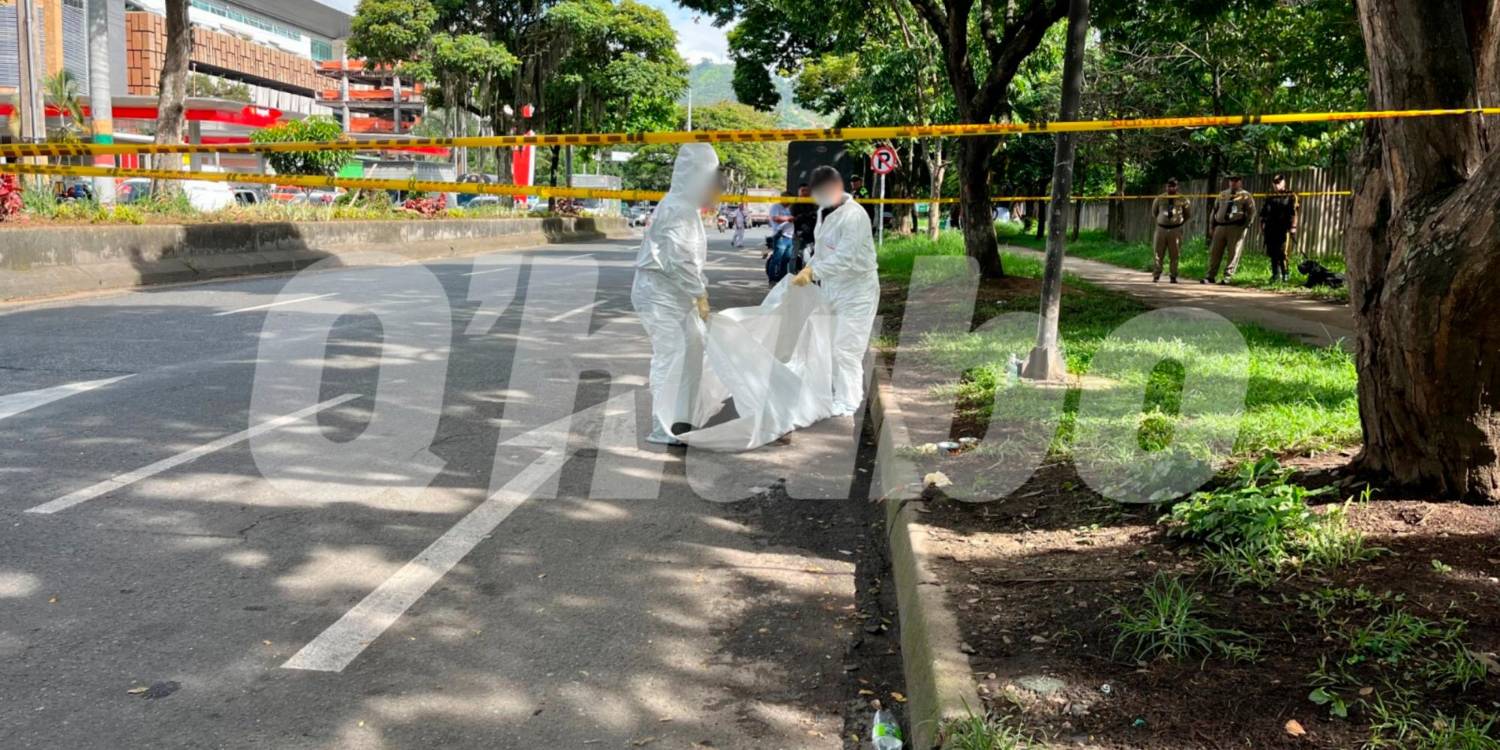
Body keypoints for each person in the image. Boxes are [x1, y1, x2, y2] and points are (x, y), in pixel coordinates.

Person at [631, 143, 722, 446]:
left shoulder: (685, 208)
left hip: (674, 294)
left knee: (691, 353)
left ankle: (682, 419)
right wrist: (699, 292)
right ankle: (664, 426)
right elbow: (679, 260)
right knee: (671, 358)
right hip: (660, 294)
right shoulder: (677, 208)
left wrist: (696, 292)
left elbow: (687, 260)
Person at [791, 166, 880, 417]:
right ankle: (836, 394)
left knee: (846, 348)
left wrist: (813, 273)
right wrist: (808, 268)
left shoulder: (854, 216)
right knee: (830, 344)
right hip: (832, 288)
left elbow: (845, 258)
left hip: (857, 290)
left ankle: (849, 402)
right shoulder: (825, 213)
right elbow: (823, 251)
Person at [1204, 175, 1257, 284]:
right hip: (1220, 226)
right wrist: (1211, 226)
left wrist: (1246, 226)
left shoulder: (1245, 195)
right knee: (1215, 252)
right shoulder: (1223, 194)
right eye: (1231, 180)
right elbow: (1214, 210)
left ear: (1240, 182)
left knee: (1233, 252)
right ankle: (1210, 276)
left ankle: (1227, 276)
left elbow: (1252, 212)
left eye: (1236, 180)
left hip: (1235, 227)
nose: (1233, 183)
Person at [1149, 179, 1192, 283]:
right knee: (1158, 253)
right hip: (1161, 229)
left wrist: (1178, 223)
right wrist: (1162, 221)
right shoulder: (1159, 198)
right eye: (1169, 186)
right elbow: (1154, 213)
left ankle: (1173, 276)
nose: (1171, 188)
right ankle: (1156, 275)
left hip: (1175, 230)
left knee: (1175, 254)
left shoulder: (1183, 199)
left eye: (1173, 186)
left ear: (1177, 187)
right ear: (1166, 187)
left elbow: (1187, 214)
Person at [1260, 174, 1300, 283]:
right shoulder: (1270, 196)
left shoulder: (1291, 195)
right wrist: (1262, 225)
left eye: (1279, 182)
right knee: (1272, 252)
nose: (1277, 185)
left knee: (1283, 252)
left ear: (1284, 182)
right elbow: (1263, 212)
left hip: (1284, 228)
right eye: (1275, 183)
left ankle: (1285, 274)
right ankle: (1275, 275)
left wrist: (1293, 227)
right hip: (1270, 228)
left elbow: (1294, 213)